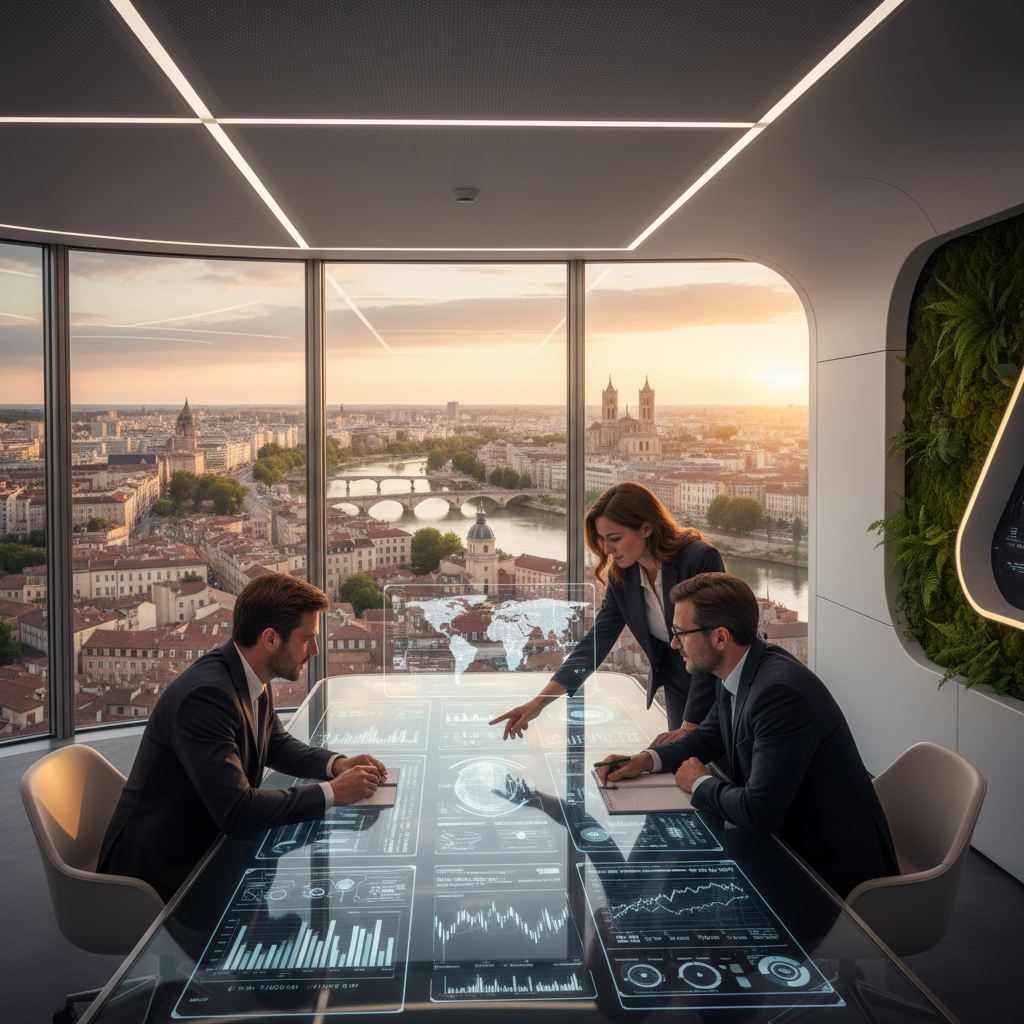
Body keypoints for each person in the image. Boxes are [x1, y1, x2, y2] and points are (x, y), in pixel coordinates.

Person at [597, 572, 898, 898]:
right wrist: (643, 761)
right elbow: (708, 737)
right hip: (790, 836)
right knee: (679, 871)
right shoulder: (740, 667)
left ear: (720, 638)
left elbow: (760, 812)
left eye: (680, 633)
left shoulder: (779, 694)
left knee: (683, 882)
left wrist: (699, 782)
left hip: (827, 867)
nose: (673, 644)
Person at [98, 573, 386, 902]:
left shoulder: (245, 673)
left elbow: (274, 742)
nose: (315, 650)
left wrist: (336, 764)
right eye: (307, 639)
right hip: (162, 872)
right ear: (270, 639)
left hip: (205, 841)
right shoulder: (205, 697)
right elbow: (238, 812)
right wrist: (331, 793)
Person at [491, 481, 725, 743]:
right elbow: (597, 642)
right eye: (602, 539)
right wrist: (538, 703)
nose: (606, 549)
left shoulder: (699, 558)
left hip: (719, 685)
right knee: (684, 772)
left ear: (647, 527)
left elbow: (712, 643)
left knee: (725, 772)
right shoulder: (622, 576)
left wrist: (690, 724)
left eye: (615, 539)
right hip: (677, 687)